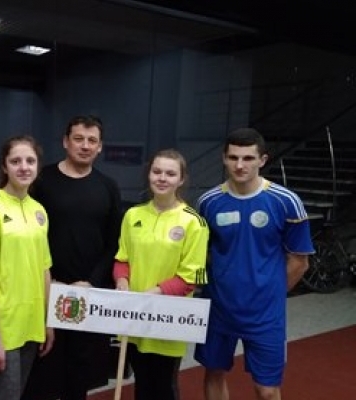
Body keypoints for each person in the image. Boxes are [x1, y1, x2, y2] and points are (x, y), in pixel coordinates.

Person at [193, 128, 315, 400]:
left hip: (265, 316)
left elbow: (300, 262)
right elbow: (204, 253)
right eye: (233, 157)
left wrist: (268, 294)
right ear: (224, 158)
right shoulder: (208, 203)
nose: (239, 165)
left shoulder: (286, 202)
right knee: (213, 373)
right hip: (219, 310)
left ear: (263, 160)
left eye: (248, 158)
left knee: (267, 390)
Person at [25, 115, 122, 400]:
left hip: (88, 294)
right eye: (79, 139)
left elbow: (113, 243)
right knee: (41, 373)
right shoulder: (41, 181)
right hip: (45, 290)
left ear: (100, 147)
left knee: (79, 375)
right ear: (66, 142)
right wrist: (48, 280)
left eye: (92, 141)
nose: (85, 145)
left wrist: (91, 282)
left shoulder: (108, 187)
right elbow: (29, 237)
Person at [113, 149, 209, 400]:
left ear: (181, 179)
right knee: (142, 385)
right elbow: (122, 259)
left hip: (169, 318)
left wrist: (152, 294)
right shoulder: (133, 215)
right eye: (157, 172)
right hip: (134, 314)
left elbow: (191, 278)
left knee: (164, 387)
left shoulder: (193, 222)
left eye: (170, 173)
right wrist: (122, 280)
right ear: (149, 175)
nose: (162, 178)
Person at [0, 135, 54, 400]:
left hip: (32, 325)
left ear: (38, 166)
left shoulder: (39, 211)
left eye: (30, 161)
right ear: (4, 166)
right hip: (3, 328)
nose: (24, 167)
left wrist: (48, 322)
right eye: (16, 161)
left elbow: (44, 269)